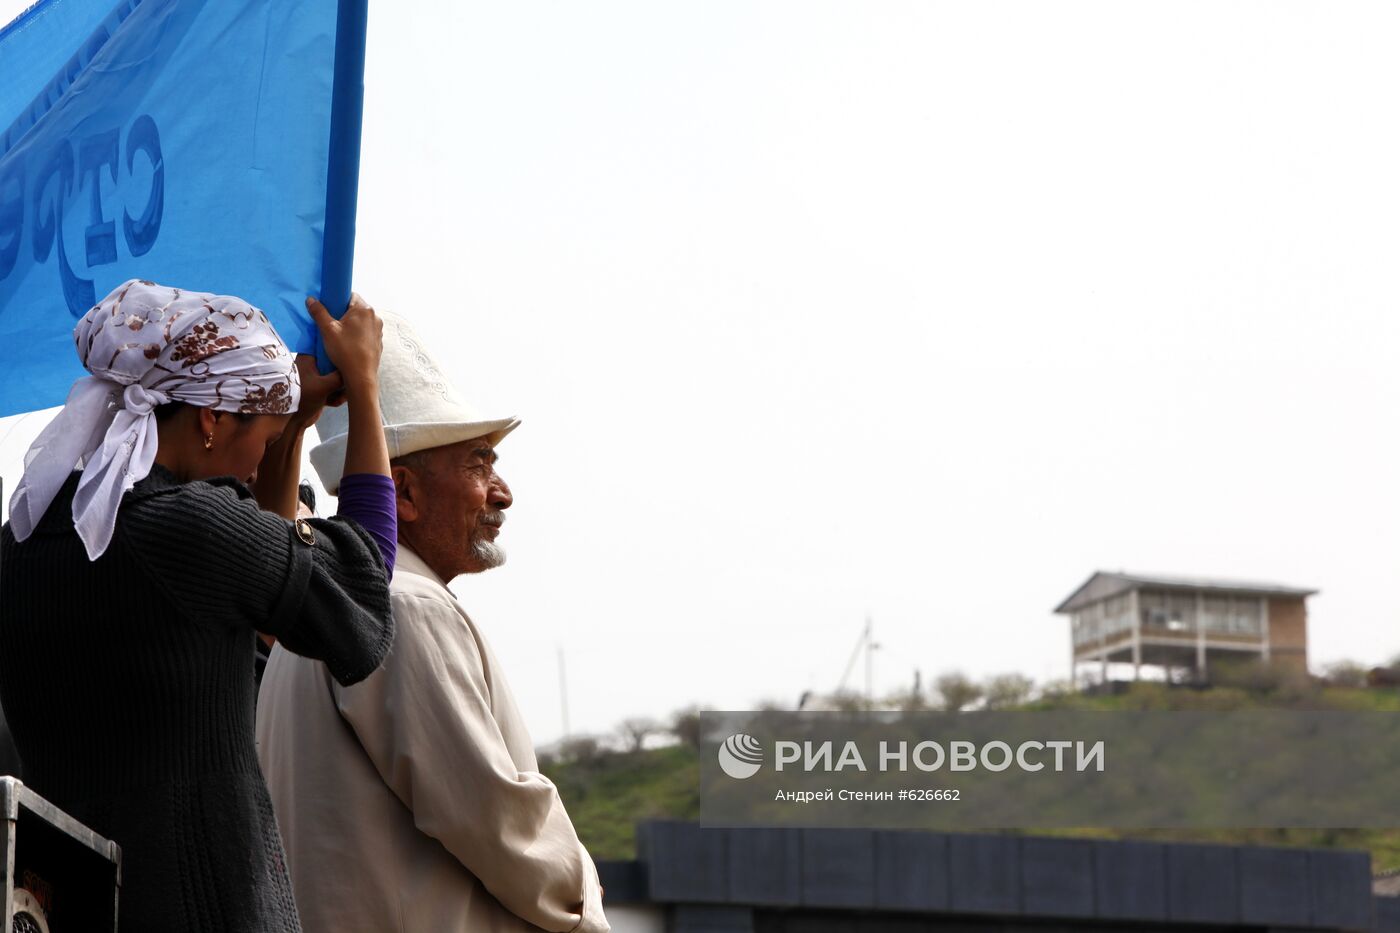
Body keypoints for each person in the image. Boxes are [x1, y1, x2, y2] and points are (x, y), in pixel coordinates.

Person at [0, 279, 397, 932]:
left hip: (76, 906)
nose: (258, 462)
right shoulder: (188, 529)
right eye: (262, 443)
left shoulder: (30, 534)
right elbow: (363, 597)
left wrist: (290, 421)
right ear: (211, 419)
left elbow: (255, 592)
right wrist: (367, 387)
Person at [257, 311, 609, 932]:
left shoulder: (326, 608)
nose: (501, 492)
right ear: (405, 495)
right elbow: (500, 822)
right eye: (478, 464)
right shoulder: (405, 605)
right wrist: (588, 910)